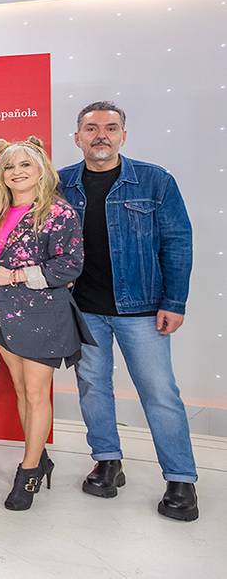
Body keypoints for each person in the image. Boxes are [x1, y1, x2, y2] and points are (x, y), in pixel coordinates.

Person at [59, 101, 199, 521]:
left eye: (110, 127)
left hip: (142, 310)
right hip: (83, 309)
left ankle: (180, 479)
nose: (101, 134)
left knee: (159, 393)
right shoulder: (62, 183)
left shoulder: (155, 180)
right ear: (78, 136)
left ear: (123, 135)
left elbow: (177, 241)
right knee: (93, 388)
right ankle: (107, 461)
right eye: (91, 128)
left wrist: (174, 302)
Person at [0, 137, 92, 511]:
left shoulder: (58, 212)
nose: (16, 172)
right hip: (3, 312)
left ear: (42, 169)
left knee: (38, 394)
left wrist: (18, 275)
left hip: (43, 313)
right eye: (9, 166)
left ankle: (28, 472)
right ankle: (39, 457)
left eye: (25, 164)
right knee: (23, 391)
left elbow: (69, 265)